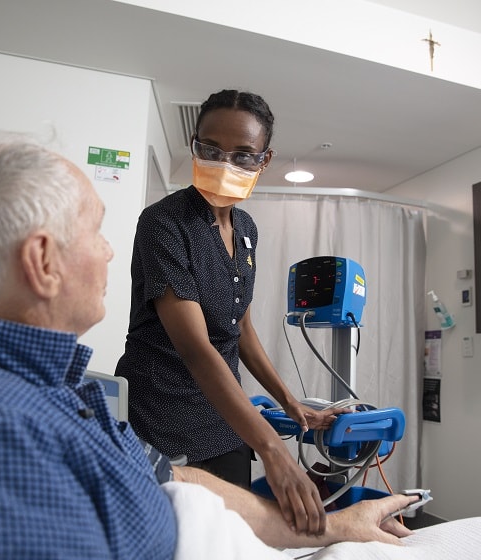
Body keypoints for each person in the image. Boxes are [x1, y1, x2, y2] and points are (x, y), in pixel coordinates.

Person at [0, 134, 416, 558]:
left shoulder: (67, 397)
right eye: (95, 232)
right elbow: (197, 351)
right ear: (42, 262)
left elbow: (170, 477)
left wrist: (337, 527)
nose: (109, 254)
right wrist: (275, 452)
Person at [115, 89, 341, 533]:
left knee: (232, 539)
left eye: (243, 155)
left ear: (264, 160)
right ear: (194, 143)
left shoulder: (247, 230)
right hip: (162, 417)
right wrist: (273, 449)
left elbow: (242, 330)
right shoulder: (164, 223)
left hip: (226, 420)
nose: (225, 164)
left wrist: (292, 406)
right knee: (172, 538)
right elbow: (198, 348)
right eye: (211, 150)